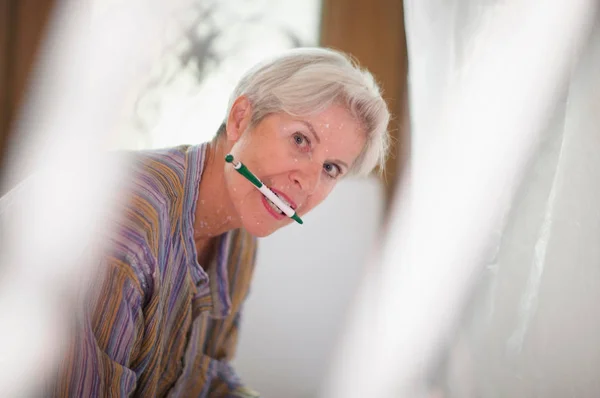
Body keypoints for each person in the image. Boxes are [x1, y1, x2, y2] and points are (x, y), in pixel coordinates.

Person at [51, 47, 390, 397]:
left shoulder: (239, 240)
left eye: (330, 168)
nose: (307, 181)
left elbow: (204, 379)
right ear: (240, 119)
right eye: (300, 140)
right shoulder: (127, 221)